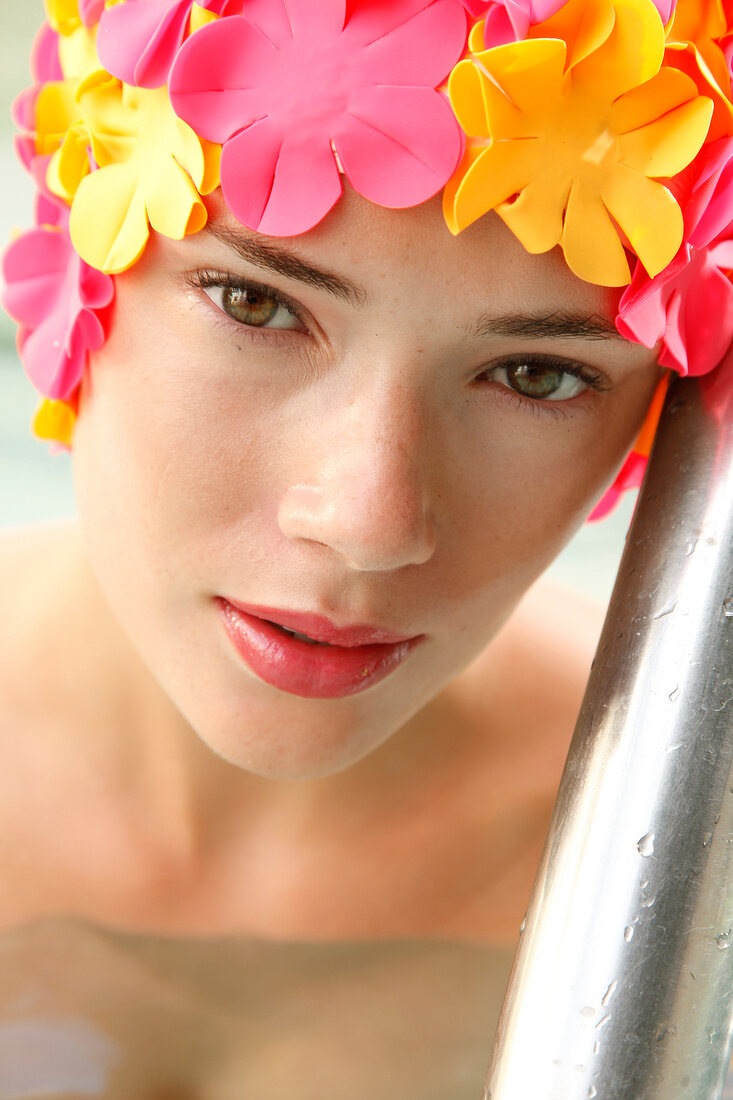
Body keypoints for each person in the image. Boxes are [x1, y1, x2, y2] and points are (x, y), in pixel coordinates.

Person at [0, 0, 730, 1095]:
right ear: (77, 257)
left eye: (539, 373)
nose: (371, 520)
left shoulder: (692, 853)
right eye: (256, 301)